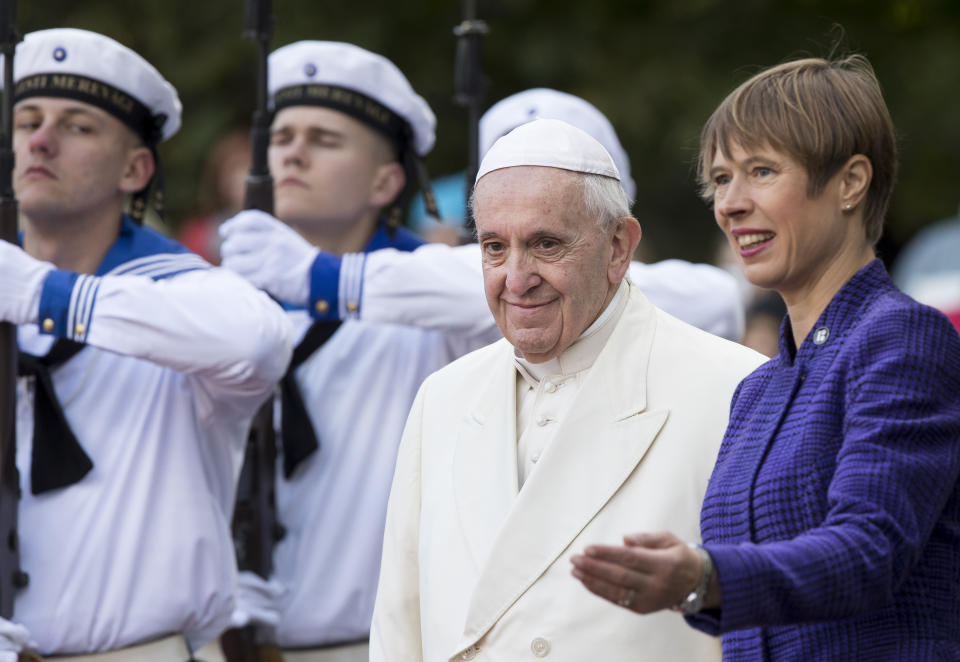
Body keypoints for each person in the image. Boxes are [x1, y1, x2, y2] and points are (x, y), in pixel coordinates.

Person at [570, 55, 960, 660]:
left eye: (761, 171)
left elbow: (867, 551)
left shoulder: (903, 338)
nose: (731, 203)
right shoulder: (759, 387)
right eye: (721, 179)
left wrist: (703, 577)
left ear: (851, 182)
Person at [368, 118, 765, 661]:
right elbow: (399, 622)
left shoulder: (735, 389)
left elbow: (768, 622)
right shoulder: (443, 396)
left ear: (618, 247)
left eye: (546, 244)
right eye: (493, 247)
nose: (516, 277)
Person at [0, 28, 293, 659]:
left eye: (77, 126)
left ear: (136, 168)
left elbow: (257, 343)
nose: (40, 140)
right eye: (26, 120)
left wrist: (47, 298)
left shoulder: (183, 293)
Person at [217, 41, 489, 661]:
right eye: (281, 135)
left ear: (386, 180)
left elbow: (508, 281)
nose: (292, 152)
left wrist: (327, 280)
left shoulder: (427, 288)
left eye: (325, 139)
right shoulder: (227, 302)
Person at [223, 87, 746, 345]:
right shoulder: (443, 290)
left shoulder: (687, 294)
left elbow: (713, 299)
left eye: (548, 239)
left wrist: (322, 275)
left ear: (618, 235)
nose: (518, 277)